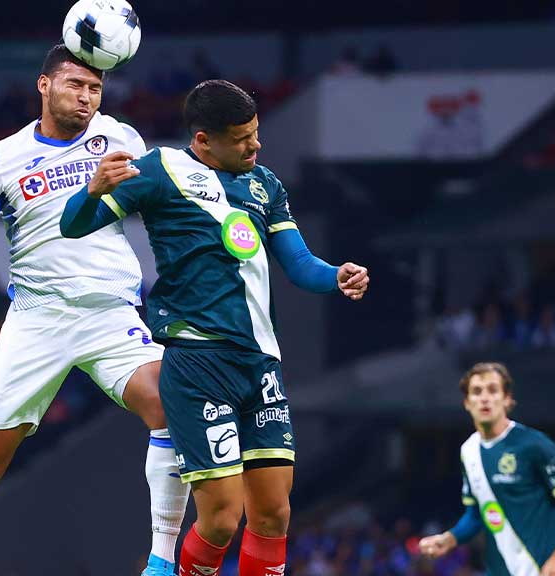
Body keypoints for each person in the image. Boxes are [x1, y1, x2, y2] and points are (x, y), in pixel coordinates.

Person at [0, 44, 189, 576]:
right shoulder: (4, 158)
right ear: (44, 85)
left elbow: (157, 206)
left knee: (171, 404)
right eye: (75, 85)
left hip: (108, 313)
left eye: (96, 88)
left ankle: (162, 563)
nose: (87, 97)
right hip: (38, 318)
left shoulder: (119, 138)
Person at [60, 79, 370, 575]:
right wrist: (92, 190)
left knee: (273, 513)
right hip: (199, 365)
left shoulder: (264, 184)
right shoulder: (160, 170)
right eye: (242, 137)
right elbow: (74, 226)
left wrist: (336, 276)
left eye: (256, 132)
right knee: (222, 518)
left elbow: (299, 263)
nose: (256, 144)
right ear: (204, 141)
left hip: (260, 365)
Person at [419, 362, 555, 576]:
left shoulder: (533, 444)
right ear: (467, 402)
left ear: (507, 400)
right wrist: (450, 538)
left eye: (493, 390)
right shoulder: (469, 450)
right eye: (476, 392)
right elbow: (477, 514)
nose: (484, 398)